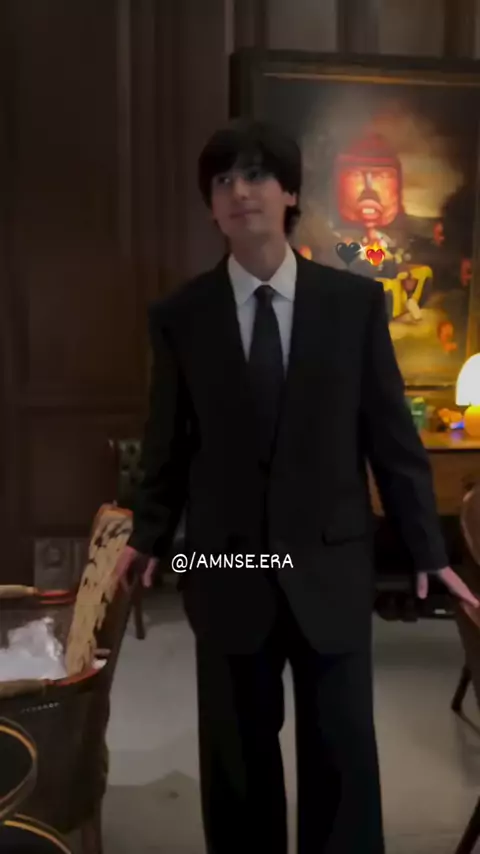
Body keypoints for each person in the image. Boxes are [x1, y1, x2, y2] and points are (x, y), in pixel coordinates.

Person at [114, 119, 479, 854]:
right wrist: (146, 533)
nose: (239, 192)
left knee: (341, 757)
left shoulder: (352, 304)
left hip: (330, 565)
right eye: (222, 181)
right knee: (237, 762)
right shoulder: (182, 317)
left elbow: (390, 438)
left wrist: (427, 547)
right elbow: (168, 442)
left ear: (289, 193)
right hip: (228, 566)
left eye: (255, 175)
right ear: (211, 206)